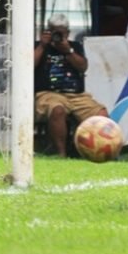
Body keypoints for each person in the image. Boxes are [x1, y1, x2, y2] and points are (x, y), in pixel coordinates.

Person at [34, 14, 108, 157]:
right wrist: (43, 45)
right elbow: (29, 65)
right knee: (58, 110)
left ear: (67, 33)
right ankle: (61, 153)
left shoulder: (75, 47)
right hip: (48, 93)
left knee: (101, 114)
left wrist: (68, 50)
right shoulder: (40, 46)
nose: (58, 36)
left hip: (76, 94)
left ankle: (100, 151)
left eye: (61, 32)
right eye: (54, 31)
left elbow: (83, 67)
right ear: (48, 31)